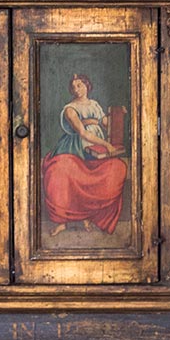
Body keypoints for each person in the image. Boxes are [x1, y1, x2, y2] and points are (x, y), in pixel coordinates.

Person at [41, 73, 127, 237]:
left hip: (95, 147)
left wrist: (117, 114)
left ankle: (86, 217)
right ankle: (62, 222)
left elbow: (106, 122)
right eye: (73, 87)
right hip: (74, 148)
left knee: (111, 170)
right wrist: (106, 144)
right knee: (66, 175)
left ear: (87, 85)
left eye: (79, 85)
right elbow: (82, 133)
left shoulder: (94, 104)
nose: (76, 89)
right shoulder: (69, 109)